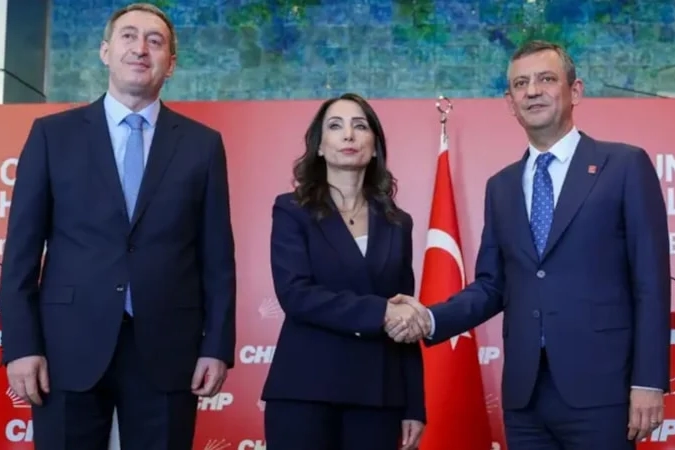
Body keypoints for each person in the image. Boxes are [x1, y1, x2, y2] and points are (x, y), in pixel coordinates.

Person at [385, 40, 671, 449]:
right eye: (521, 84)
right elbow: (492, 286)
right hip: (525, 398)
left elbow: (651, 284)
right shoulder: (501, 186)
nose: (532, 91)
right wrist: (429, 319)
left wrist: (649, 382)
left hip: (603, 392)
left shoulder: (624, 166)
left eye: (546, 79)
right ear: (510, 102)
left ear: (575, 91)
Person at [0, 3, 237, 449]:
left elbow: (217, 258)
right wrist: (21, 345)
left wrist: (217, 346)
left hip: (169, 348)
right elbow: (20, 255)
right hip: (66, 346)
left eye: (155, 41)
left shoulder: (202, 146)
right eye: (128, 36)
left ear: (171, 63)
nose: (140, 49)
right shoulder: (52, 135)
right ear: (105, 51)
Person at [261, 93, 426, 450]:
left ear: (374, 145)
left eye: (360, 126)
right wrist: (380, 312)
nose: (349, 135)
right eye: (335, 126)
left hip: (378, 396)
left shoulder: (398, 223)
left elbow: (405, 314)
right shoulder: (292, 210)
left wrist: (414, 403)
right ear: (320, 146)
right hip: (305, 390)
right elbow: (296, 294)